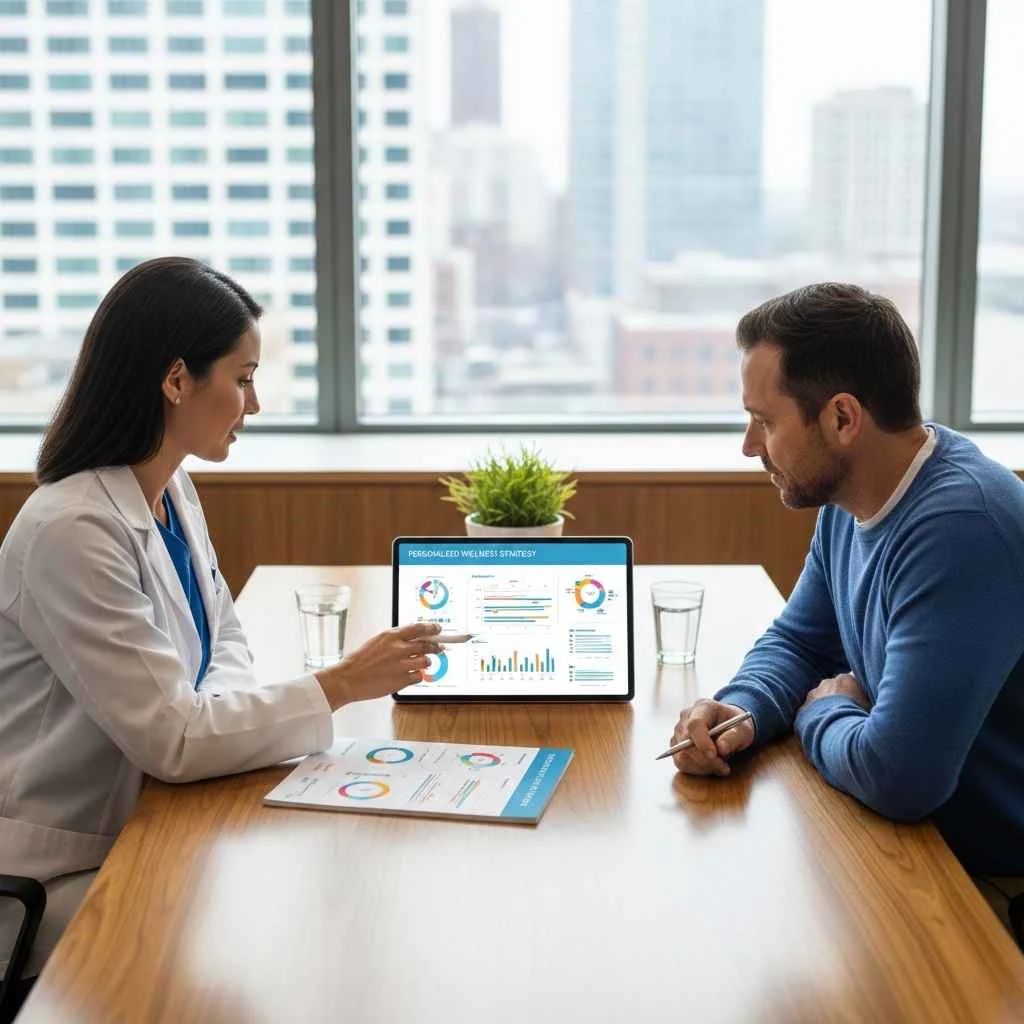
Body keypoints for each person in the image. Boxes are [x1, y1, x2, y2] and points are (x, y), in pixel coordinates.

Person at [0, 257, 443, 1010]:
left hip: (154, 821)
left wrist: (223, 733)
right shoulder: (73, 528)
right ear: (176, 380)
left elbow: (223, 644)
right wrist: (339, 685)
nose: (256, 402)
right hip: (64, 873)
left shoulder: (170, 485)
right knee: (282, 953)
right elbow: (172, 740)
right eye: (242, 378)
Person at [670, 283, 1024, 941]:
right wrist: (741, 709)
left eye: (766, 421)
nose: (750, 446)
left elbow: (899, 777)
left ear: (841, 418)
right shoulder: (856, 495)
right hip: (914, 845)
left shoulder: (960, 527)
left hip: (989, 884)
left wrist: (819, 711)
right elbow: (803, 641)